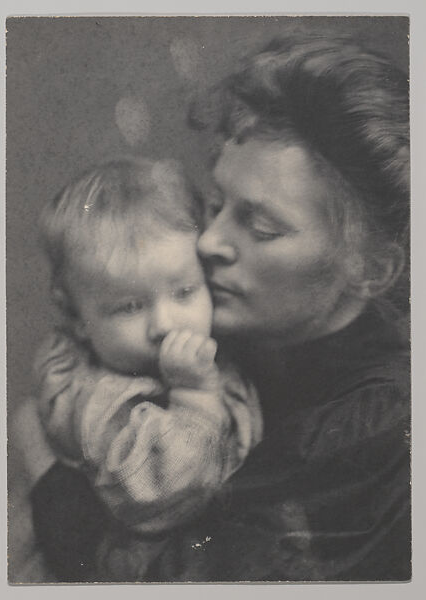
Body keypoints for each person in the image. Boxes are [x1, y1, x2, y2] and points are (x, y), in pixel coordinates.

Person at [29, 32, 410, 582]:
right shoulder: (241, 328)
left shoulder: (378, 426)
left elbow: (162, 580)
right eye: (215, 204)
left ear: (369, 267)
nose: (208, 243)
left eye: (260, 226)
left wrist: (38, 453)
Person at [31, 156, 262, 579]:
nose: (164, 324)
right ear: (79, 321)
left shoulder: (203, 346)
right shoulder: (100, 398)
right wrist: (194, 397)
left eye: (185, 291)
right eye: (130, 307)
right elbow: (157, 493)